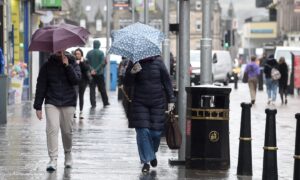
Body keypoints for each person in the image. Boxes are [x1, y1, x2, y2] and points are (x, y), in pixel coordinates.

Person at [124, 55, 176, 173]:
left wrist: (171, 100)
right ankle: (146, 161)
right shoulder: (134, 62)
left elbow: (167, 81)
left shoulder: (158, 62)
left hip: (157, 102)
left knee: (156, 133)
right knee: (143, 131)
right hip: (139, 102)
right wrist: (132, 72)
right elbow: (127, 83)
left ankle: (152, 153)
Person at [33, 51, 81, 171]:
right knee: (52, 129)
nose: (59, 51)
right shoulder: (47, 65)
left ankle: (68, 154)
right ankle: (53, 159)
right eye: (56, 49)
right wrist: (38, 106)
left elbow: (76, 80)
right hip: (52, 101)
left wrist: (67, 65)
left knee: (67, 131)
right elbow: (41, 85)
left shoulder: (73, 62)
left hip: (68, 101)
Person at [86, 40, 109, 108]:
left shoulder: (89, 53)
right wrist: (96, 70)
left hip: (91, 74)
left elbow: (87, 63)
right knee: (102, 89)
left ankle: (93, 104)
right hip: (99, 74)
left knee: (92, 89)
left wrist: (92, 70)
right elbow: (102, 63)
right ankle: (105, 102)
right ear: (99, 45)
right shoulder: (101, 53)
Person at [74, 48, 92, 119]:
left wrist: (82, 62)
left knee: (81, 96)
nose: (77, 55)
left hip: (83, 82)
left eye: (78, 54)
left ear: (81, 54)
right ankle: (74, 112)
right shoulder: (73, 61)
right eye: (76, 54)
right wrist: (76, 63)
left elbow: (87, 69)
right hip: (76, 82)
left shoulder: (85, 60)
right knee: (75, 96)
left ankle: (81, 112)